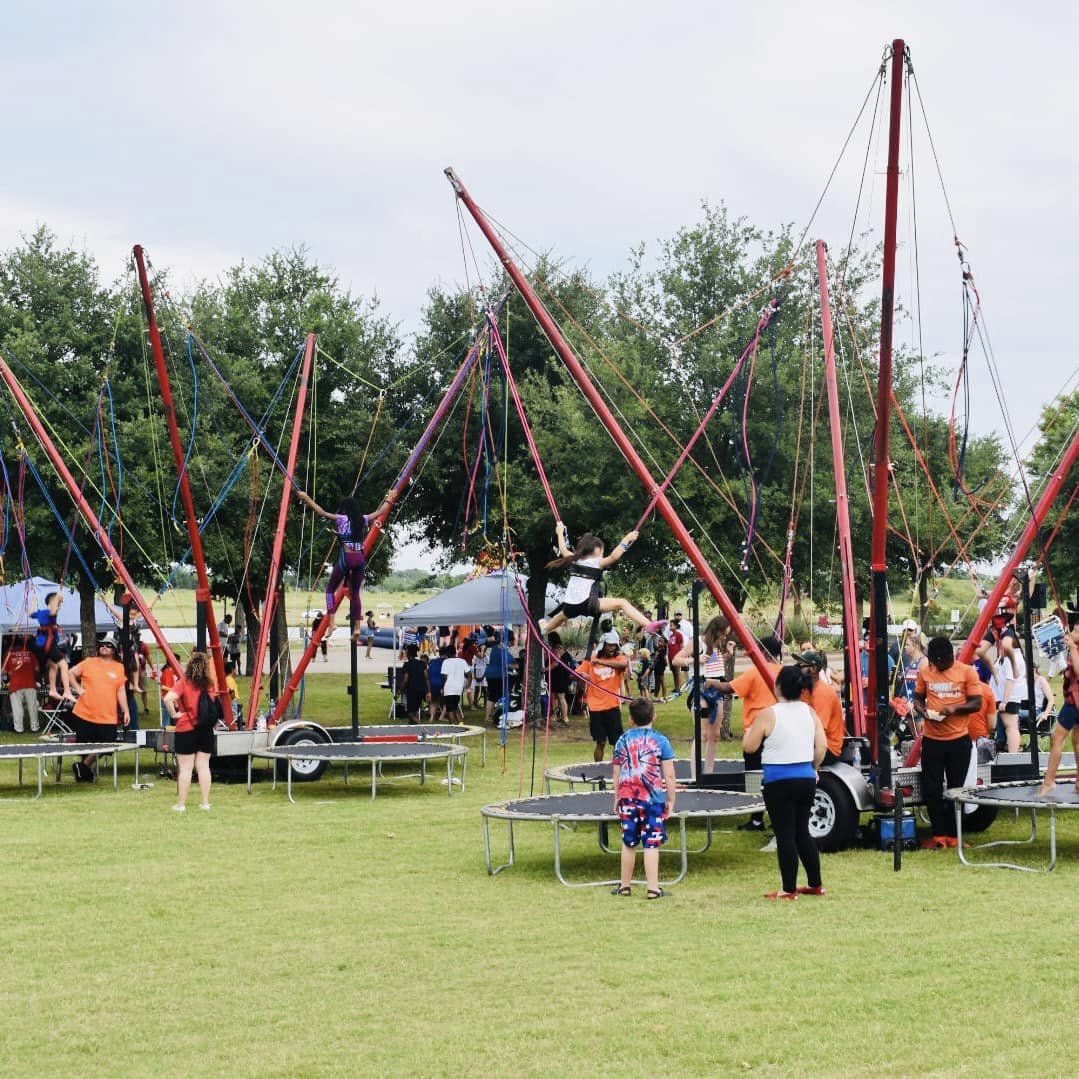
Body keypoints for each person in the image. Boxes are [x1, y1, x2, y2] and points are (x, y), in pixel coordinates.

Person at [743, 665, 827, 899]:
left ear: (777, 686)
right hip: (806, 778)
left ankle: (788, 889)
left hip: (778, 780)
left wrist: (750, 731)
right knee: (803, 831)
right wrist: (814, 767)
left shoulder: (769, 713)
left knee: (785, 834)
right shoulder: (809, 712)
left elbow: (749, 746)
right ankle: (815, 884)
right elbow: (822, 746)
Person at [706, 635, 783, 830]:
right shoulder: (782, 672)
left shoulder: (755, 673)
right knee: (776, 775)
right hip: (779, 730)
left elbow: (728, 687)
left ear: (763, 652)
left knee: (754, 774)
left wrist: (712, 682)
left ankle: (756, 818)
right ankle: (777, 818)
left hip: (756, 731)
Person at [913, 636, 983, 849]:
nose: (943, 665)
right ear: (933, 659)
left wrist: (954, 709)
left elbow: (977, 703)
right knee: (932, 789)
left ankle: (954, 835)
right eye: (939, 662)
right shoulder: (926, 672)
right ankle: (938, 834)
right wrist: (923, 711)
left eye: (947, 660)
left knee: (956, 789)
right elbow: (917, 698)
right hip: (933, 740)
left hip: (958, 741)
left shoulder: (967, 672)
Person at [543, 522, 667, 635]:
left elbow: (563, 549)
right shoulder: (597, 562)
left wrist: (559, 532)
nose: (602, 554)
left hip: (570, 604)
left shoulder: (574, 559)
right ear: (595, 551)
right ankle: (648, 625)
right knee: (622, 603)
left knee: (561, 616)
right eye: (601, 551)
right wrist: (627, 539)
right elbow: (614, 556)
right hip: (588, 603)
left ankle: (546, 628)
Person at [610, 697, 678, 900]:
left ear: (630, 719)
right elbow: (670, 774)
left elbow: (616, 772)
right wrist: (671, 799)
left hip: (627, 797)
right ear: (654, 717)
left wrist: (617, 797)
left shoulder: (622, 740)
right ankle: (653, 888)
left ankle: (624, 886)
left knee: (629, 842)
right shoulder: (661, 740)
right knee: (651, 843)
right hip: (653, 799)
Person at [295, 491, 386, 637]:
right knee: (355, 594)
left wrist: (306, 499)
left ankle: (332, 623)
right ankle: (357, 627)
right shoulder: (363, 519)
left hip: (347, 558)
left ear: (345, 509)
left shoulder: (341, 519)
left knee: (330, 590)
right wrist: (390, 499)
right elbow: (380, 511)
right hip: (360, 560)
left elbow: (322, 512)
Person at [163, 651, 218, 812]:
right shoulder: (210, 684)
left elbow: (168, 698)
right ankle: (206, 802)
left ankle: (181, 804)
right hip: (206, 729)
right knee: (203, 766)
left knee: (186, 768)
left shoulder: (184, 683)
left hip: (186, 728)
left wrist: (175, 714)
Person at [68, 638, 130, 781]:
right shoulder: (89, 662)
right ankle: (84, 774)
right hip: (85, 712)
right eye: (102, 645)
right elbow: (70, 673)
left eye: (109, 646)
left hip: (108, 715)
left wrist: (125, 710)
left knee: (107, 744)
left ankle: (82, 767)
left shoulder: (119, 667)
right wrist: (77, 689)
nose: (104, 647)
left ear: (114, 650)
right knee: (85, 746)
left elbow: (121, 691)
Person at [1039, 615, 1079, 797]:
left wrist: (1072, 647)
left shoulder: (1075, 648)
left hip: (1075, 702)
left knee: (1057, 738)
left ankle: (1049, 781)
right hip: (1073, 700)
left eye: (1076, 630)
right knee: (1077, 741)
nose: (1071, 632)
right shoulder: (1073, 648)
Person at [576, 630, 629, 763]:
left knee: (617, 743)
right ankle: (597, 768)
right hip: (595, 707)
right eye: (609, 645)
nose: (612, 648)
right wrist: (583, 677)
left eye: (614, 645)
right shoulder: (591, 659)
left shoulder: (619, 658)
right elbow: (576, 674)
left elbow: (623, 664)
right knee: (600, 742)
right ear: (603, 645)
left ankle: (616, 769)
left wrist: (601, 662)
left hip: (612, 706)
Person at [793, 651, 845, 765]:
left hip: (827, 748)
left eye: (800, 666)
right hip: (815, 742)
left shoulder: (822, 693)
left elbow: (818, 730)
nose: (797, 669)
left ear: (813, 669)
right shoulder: (807, 689)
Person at [31, 591, 74, 700]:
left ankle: (53, 690)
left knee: (54, 666)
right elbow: (54, 609)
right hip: (48, 645)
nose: (60, 605)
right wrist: (58, 596)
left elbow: (31, 613)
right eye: (59, 603)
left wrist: (34, 601)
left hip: (41, 645)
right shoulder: (50, 613)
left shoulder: (41, 613)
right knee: (64, 665)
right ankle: (67, 691)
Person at [3, 636, 40, 734]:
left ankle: (19, 729)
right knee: (32, 707)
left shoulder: (9, 655)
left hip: (15, 685)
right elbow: (37, 669)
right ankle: (34, 728)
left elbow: (5, 671)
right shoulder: (31, 654)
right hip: (30, 683)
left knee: (17, 708)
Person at [484, 633, 516, 726]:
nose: (513, 643)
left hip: (490, 674)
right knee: (501, 696)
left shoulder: (495, 648)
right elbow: (509, 664)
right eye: (512, 641)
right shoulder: (503, 650)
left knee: (492, 696)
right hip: (498, 674)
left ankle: (488, 716)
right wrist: (517, 665)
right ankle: (498, 715)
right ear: (509, 640)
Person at [547, 631, 574, 726]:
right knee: (554, 696)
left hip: (560, 674)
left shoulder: (556, 648)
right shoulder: (561, 647)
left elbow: (556, 662)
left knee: (560, 696)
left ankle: (564, 717)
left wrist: (545, 669)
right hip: (560, 674)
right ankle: (555, 715)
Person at [398, 644, 429, 724]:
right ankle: (412, 726)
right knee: (414, 710)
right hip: (422, 689)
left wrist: (400, 690)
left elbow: (405, 679)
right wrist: (428, 691)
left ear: (408, 653)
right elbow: (426, 677)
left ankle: (421, 725)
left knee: (410, 713)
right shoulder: (422, 663)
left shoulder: (407, 665)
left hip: (413, 690)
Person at [439, 647, 471, 723]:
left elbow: (444, 677)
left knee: (450, 709)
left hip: (449, 688)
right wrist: (468, 685)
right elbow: (469, 674)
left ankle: (452, 726)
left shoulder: (446, 662)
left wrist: (442, 688)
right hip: (459, 688)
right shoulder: (462, 661)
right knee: (455, 707)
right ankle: (461, 724)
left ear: (447, 654)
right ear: (455, 653)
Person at [667, 615, 686, 693]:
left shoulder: (679, 635)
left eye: (671, 625)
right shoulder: (671, 636)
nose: (670, 627)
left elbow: (681, 645)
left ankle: (679, 688)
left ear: (675, 626)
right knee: (674, 673)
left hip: (677, 657)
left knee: (678, 673)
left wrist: (682, 656)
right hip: (671, 657)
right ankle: (676, 687)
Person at [427, 647, 446, 721]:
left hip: (432, 684)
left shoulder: (433, 661)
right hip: (442, 683)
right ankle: (441, 717)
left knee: (433, 702)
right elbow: (445, 676)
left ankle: (431, 718)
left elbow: (429, 673)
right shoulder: (446, 662)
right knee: (448, 702)